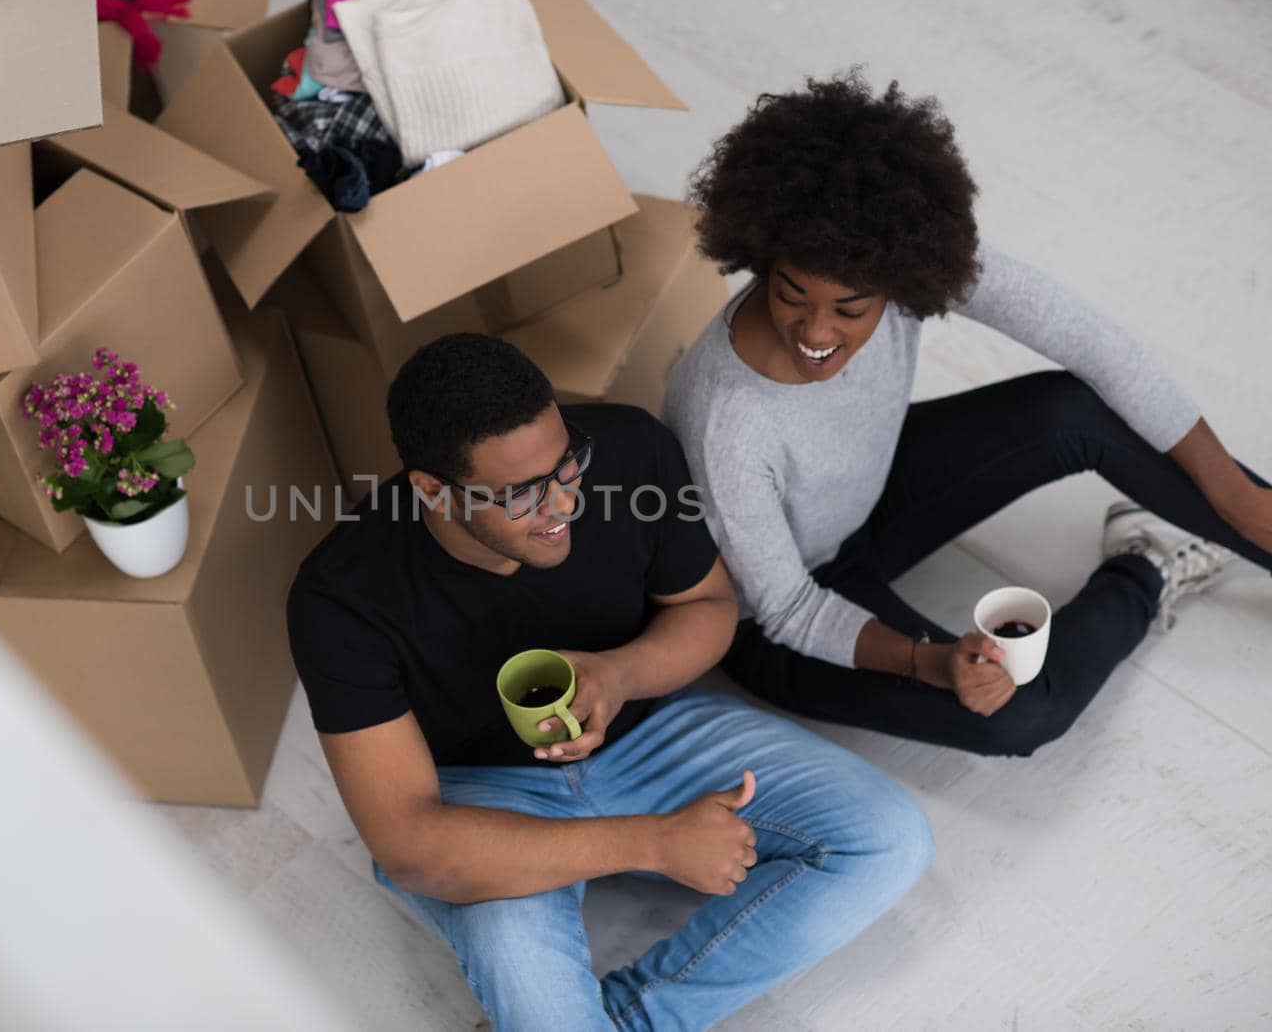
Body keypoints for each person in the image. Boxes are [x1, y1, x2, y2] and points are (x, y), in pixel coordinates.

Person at [286, 334, 933, 1030]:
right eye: (523, 493)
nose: (562, 502)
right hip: (481, 796)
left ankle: (635, 1016)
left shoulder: (631, 450)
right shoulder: (341, 597)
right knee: (527, 978)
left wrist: (622, 674)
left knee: (890, 837)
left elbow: (709, 607)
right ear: (433, 492)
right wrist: (653, 842)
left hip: (650, 732)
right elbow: (411, 846)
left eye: (567, 464)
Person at [664, 71, 1272, 758]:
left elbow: (1089, 341)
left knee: (1070, 409)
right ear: (765, 257)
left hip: (870, 499)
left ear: (894, 281)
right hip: (777, 617)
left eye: (850, 309)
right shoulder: (726, 420)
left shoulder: (892, 254)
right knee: (1017, 717)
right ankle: (1146, 564)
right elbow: (790, 609)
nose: (816, 331)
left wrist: (1238, 497)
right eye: (791, 294)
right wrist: (929, 660)